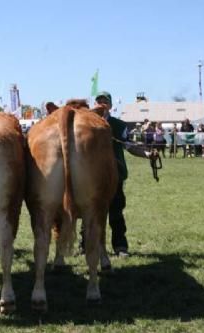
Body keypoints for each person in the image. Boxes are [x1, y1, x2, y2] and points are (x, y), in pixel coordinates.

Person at [80, 91, 156, 257]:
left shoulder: (119, 125)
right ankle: (85, 245)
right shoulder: (86, 124)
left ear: (111, 105)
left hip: (115, 175)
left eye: (105, 101)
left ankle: (120, 247)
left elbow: (129, 146)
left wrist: (147, 154)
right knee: (89, 211)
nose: (102, 104)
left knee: (116, 212)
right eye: (99, 100)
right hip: (90, 176)